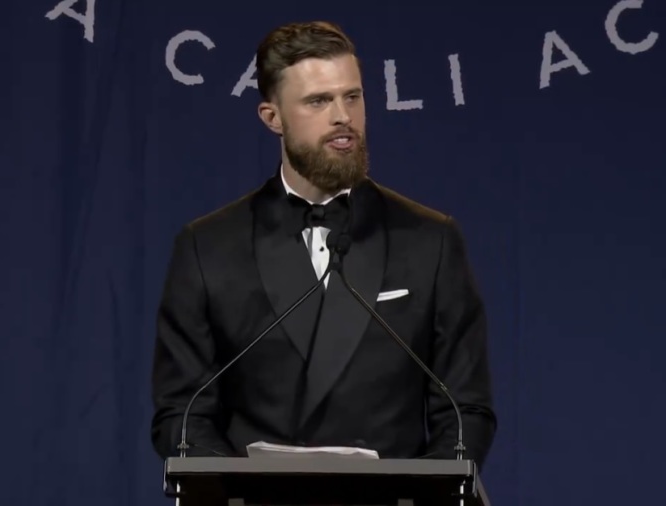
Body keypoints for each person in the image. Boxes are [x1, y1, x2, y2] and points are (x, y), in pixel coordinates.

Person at [150, 20, 497, 470]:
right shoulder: (208, 247)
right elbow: (181, 415)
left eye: (352, 96)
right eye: (318, 101)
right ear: (272, 117)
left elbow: (465, 409)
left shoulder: (430, 240)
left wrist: (421, 495)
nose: (343, 117)